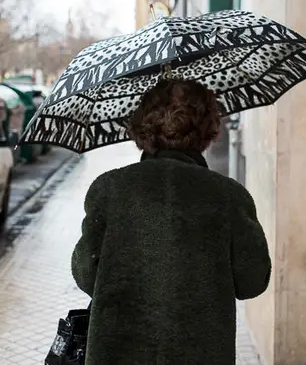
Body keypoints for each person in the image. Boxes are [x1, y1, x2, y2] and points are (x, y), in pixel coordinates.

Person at [71, 78, 271, 365]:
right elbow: (252, 282)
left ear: (142, 125)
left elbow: (86, 273)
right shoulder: (229, 196)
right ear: (208, 128)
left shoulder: (109, 189)